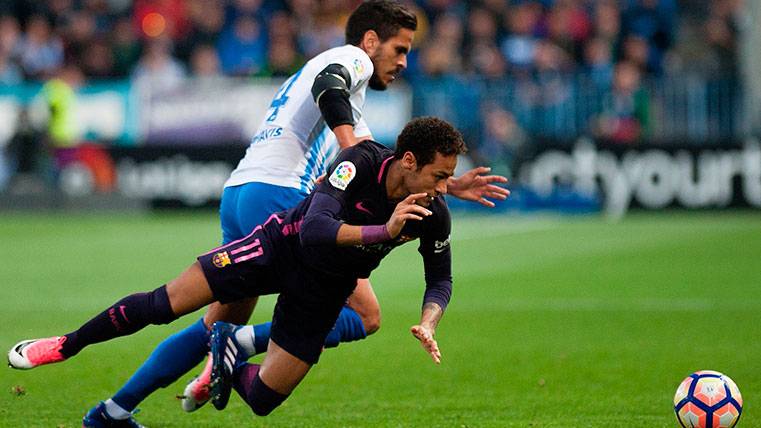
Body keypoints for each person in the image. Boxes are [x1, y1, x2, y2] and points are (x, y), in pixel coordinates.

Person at [8, 2, 508, 426]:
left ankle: (113, 410)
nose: (402, 62)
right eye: (399, 49)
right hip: (280, 196)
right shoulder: (351, 59)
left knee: (208, 322)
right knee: (365, 315)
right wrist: (350, 148)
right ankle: (240, 346)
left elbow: (397, 166)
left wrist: (447, 183)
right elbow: (331, 90)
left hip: (243, 188)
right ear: (372, 41)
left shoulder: (344, 95)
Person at [9, 116, 469, 420]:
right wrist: (384, 231)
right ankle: (67, 344)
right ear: (409, 161)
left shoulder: (433, 212)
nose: (445, 187)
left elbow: (440, 277)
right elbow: (315, 229)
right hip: (278, 248)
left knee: (265, 400)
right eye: (440, 176)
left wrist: (430, 321)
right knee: (165, 304)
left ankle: (230, 350)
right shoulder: (360, 162)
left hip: (324, 289)